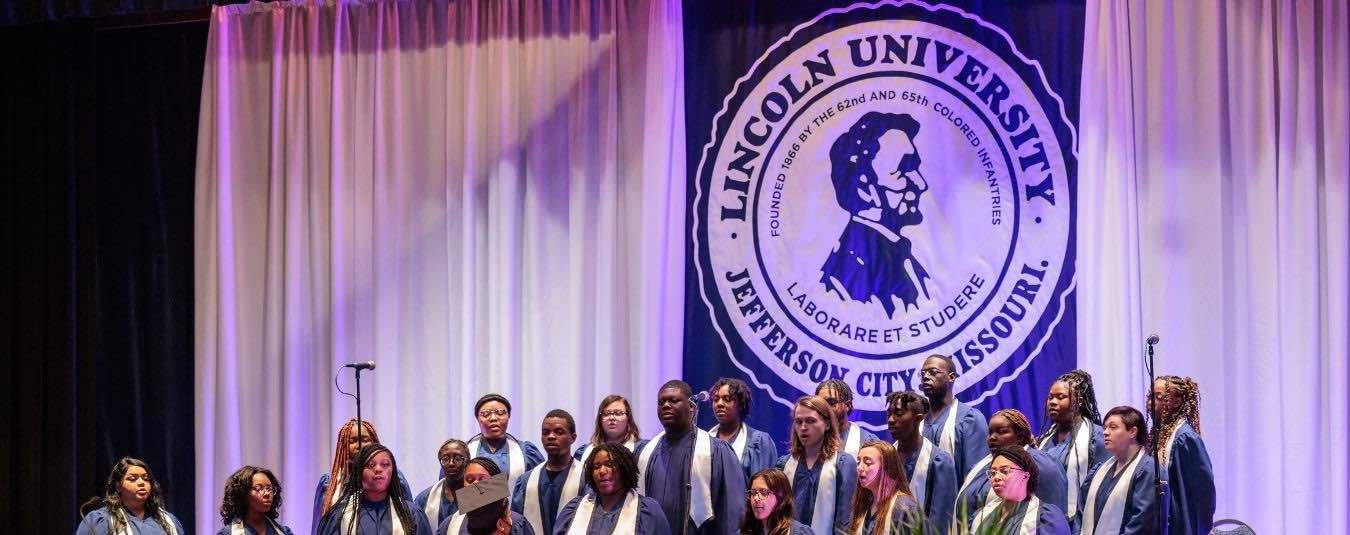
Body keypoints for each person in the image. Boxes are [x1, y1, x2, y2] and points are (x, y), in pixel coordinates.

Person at [636, 380, 747, 535]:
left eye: (673, 401)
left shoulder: (716, 451)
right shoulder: (646, 452)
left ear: (691, 407)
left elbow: (732, 511)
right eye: (661, 402)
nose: (666, 405)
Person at [954, 409, 1067, 531]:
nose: (992, 437)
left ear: (1020, 436)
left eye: (1001, 432)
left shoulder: (1041, 464)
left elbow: (1053, 501)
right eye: (990, 432)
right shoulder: (983, 464)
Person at [313, 419, 415, 534]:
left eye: (365, 440)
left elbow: (408, 516)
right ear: (344, 444)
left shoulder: (392, 477)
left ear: (374, 442)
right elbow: (319, 525)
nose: (359, 445)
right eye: (353, 441)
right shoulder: (329, 483)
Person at [775, 395, 857, 535]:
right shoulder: (784, 464)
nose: (803, 427)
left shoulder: (843, 464)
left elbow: (844, 522)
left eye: (811, 421)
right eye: (798, 421)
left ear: (827, 424)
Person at [1036, 370, 1109, 526]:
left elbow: (1104, 486)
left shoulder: (1097, 437)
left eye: (1060, 397)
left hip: (1082, 521)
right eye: (1050, 397)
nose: (1053, 402)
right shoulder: (1044, 439)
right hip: (1045, 521)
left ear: (1079, 401)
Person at [555, 442, 672, 535]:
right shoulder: (574, 509)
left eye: (610, 465)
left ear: (624, 469)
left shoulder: (647, 511)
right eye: (596, 467)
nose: (602, 471)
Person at [316, 444, 434, 535]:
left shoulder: (412, 514)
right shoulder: (338, 516)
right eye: (370, 465)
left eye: (385, 464)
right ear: (359, 473)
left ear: (393, 472)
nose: (378, 469)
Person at [1150, 376, 1215, 535]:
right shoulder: (1160, 434)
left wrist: (1200, 528)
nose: (1151, 402)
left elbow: (1203, 490)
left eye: (1158, 397)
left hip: (1178, 525)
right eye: (1150, 396)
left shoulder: (1184, 438)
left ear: (1176, 402)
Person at [1078, 406, 1158, 535]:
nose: (1105, 432)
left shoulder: (1148, 471)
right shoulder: (1099, 470)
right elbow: (1080, 511)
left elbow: (1141, 523)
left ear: (1132, 432)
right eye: (1105, 428)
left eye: (1113, 427)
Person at [885, 391, 956, 535]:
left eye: (898, 414)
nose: (891, 420)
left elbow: (940, 521)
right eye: (889, 414)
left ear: (918, 419)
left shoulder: (939, 461)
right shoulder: (885, 457)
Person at [511, 410, 585, 535]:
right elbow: (517, 525)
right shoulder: (526, 481)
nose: (550, 436)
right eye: (545, 433)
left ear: (573, 437)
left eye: (558, 432)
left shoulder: (586, 477)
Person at [967, 447, 1070, 535]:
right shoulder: (981, 515)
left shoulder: (1047, 519)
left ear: (1025, 476)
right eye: (993, 473)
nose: (996, 477)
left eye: (1004, 471)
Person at [917, 355, 989, 481]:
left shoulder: (970, 419)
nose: (926, 377)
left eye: (932, 372)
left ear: (951, 377)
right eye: (923, 373)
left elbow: (976, 476)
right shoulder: (917, 421)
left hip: (956, 499)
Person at [76, 457, 186, 535]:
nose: (141, 483)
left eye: (146, 478)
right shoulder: (100, 520)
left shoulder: (168, 521)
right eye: (132, 479)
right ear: (118, 486)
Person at [469, 394, 545, 490]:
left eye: (500, 412)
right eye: (485, 413)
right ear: (477, 418)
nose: (493, 418)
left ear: (508, 416)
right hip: (470, 505)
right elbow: (447, 492)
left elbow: (542, 487)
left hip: (516, 505)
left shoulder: (526, 452)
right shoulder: (464, 451)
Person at [708, 378, 779, 480]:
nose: (719, 404)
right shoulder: (704, 440)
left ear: (741, 404)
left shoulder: (759, 441)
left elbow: (767, 486)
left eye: (727, 399)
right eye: (716, 399)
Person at [437, 462, 534, 535]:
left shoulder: (517, 524)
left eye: (482, 479)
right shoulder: (450, 525)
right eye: (469, 479)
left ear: (495, 484)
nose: (475, 484)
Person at [848, 441, 919, 535]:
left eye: (867, 462)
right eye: (858, 462)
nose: (859, 467)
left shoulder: (904, 508)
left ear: (886, 467)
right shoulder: (864, 505)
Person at [217, 465, 295, 535]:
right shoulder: (227, 533)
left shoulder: (284, 532)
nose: (267, 494)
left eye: (269, 488)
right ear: (243, 493)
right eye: (258, 488)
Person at [815, 380, 879, 457]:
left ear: (848, 405)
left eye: (831, 403)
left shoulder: (867, 441)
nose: (824, 408)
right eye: (820, 403)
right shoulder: (807, 435)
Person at [740, 469, 814, 535]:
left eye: (763, 492)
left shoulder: (800, 532)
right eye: (753, 493)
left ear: (781, 496)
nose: (756, 498)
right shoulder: (748, 530)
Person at [576, 395, 647, 463]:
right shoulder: (583, 453)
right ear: (600, 420)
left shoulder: (643, 450)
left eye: (618, 413)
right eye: (606, 413)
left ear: (628, 418)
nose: (611, 418)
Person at [416, 439, 470, 527]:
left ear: (468, 461)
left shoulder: (478, 493)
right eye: (445, 459)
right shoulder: (424, 499)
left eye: (457, 459)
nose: (451, 463)